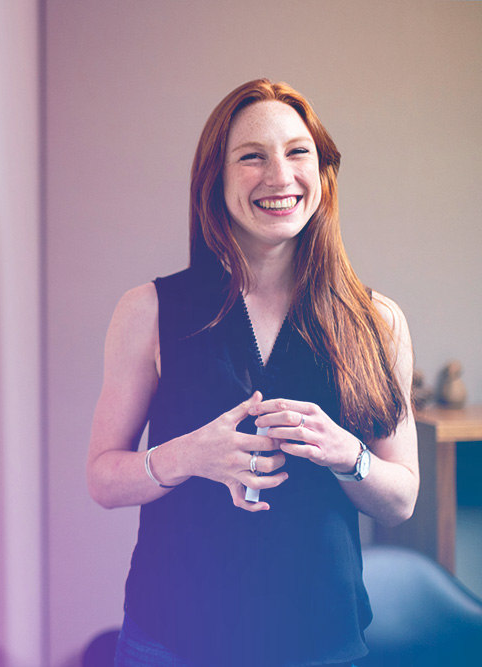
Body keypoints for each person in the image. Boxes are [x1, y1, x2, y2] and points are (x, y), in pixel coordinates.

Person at [87, 79, 418, 667]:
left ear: (323, 172)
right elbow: (103, 479)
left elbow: (401, 499)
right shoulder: (148, 311)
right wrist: (188, 456)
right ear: (215, 179)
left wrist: (348, 454)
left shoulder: (379, 321)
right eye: (252, 156)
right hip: (169, 643)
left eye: (297, 152)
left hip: (322, 644)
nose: (280, 176)